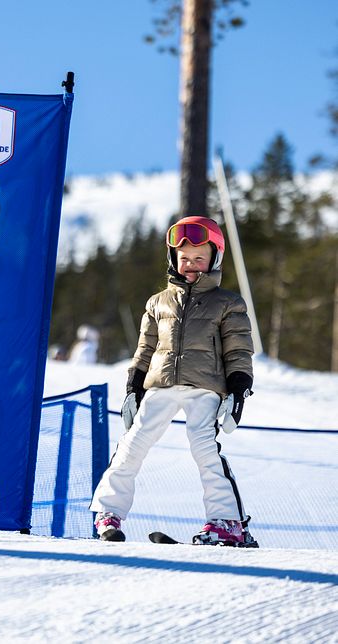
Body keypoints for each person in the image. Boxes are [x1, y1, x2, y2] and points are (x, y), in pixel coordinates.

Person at [89, 216, 258, 547]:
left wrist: (238, 390)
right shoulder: (158, 302)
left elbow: (239, 350)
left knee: (204, 448)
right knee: (131, 444)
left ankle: (228, 523)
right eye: (184, 259)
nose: (191, 265)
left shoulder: (227, 303)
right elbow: (144, 349)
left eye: (199, 258)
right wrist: (132, 389)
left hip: (206, 387)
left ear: (214, 259)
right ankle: (108, 513)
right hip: (160, 386)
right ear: (173, 260)